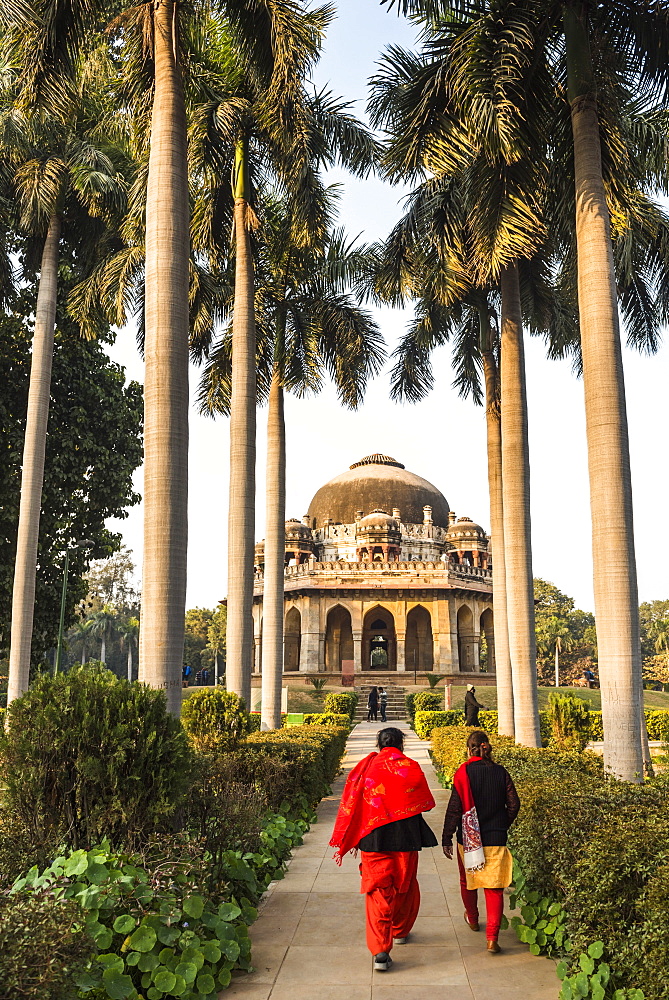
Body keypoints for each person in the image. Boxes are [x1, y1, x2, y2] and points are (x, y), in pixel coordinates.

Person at [330, 727, 437, 972]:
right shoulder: (410, 766)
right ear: (401, 745)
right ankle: (399, 931)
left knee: (377, 892)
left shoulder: (367, 768)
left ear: (379, 745)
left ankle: (380, 951)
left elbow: (354, 801)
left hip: (373, 839)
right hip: (406, 839)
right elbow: (424, 801)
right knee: (404, 885)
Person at [441, 730, 520, 954]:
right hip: (495, 838)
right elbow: (514, 803)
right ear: (488, 747)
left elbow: (455, 808)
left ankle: (473, 919)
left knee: (467, 881)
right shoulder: (500, 772)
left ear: (469, 749)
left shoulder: (463, 774)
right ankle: (492, 939)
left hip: (468, 840)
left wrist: (447, 836)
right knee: (493, 888)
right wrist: (502, 824)